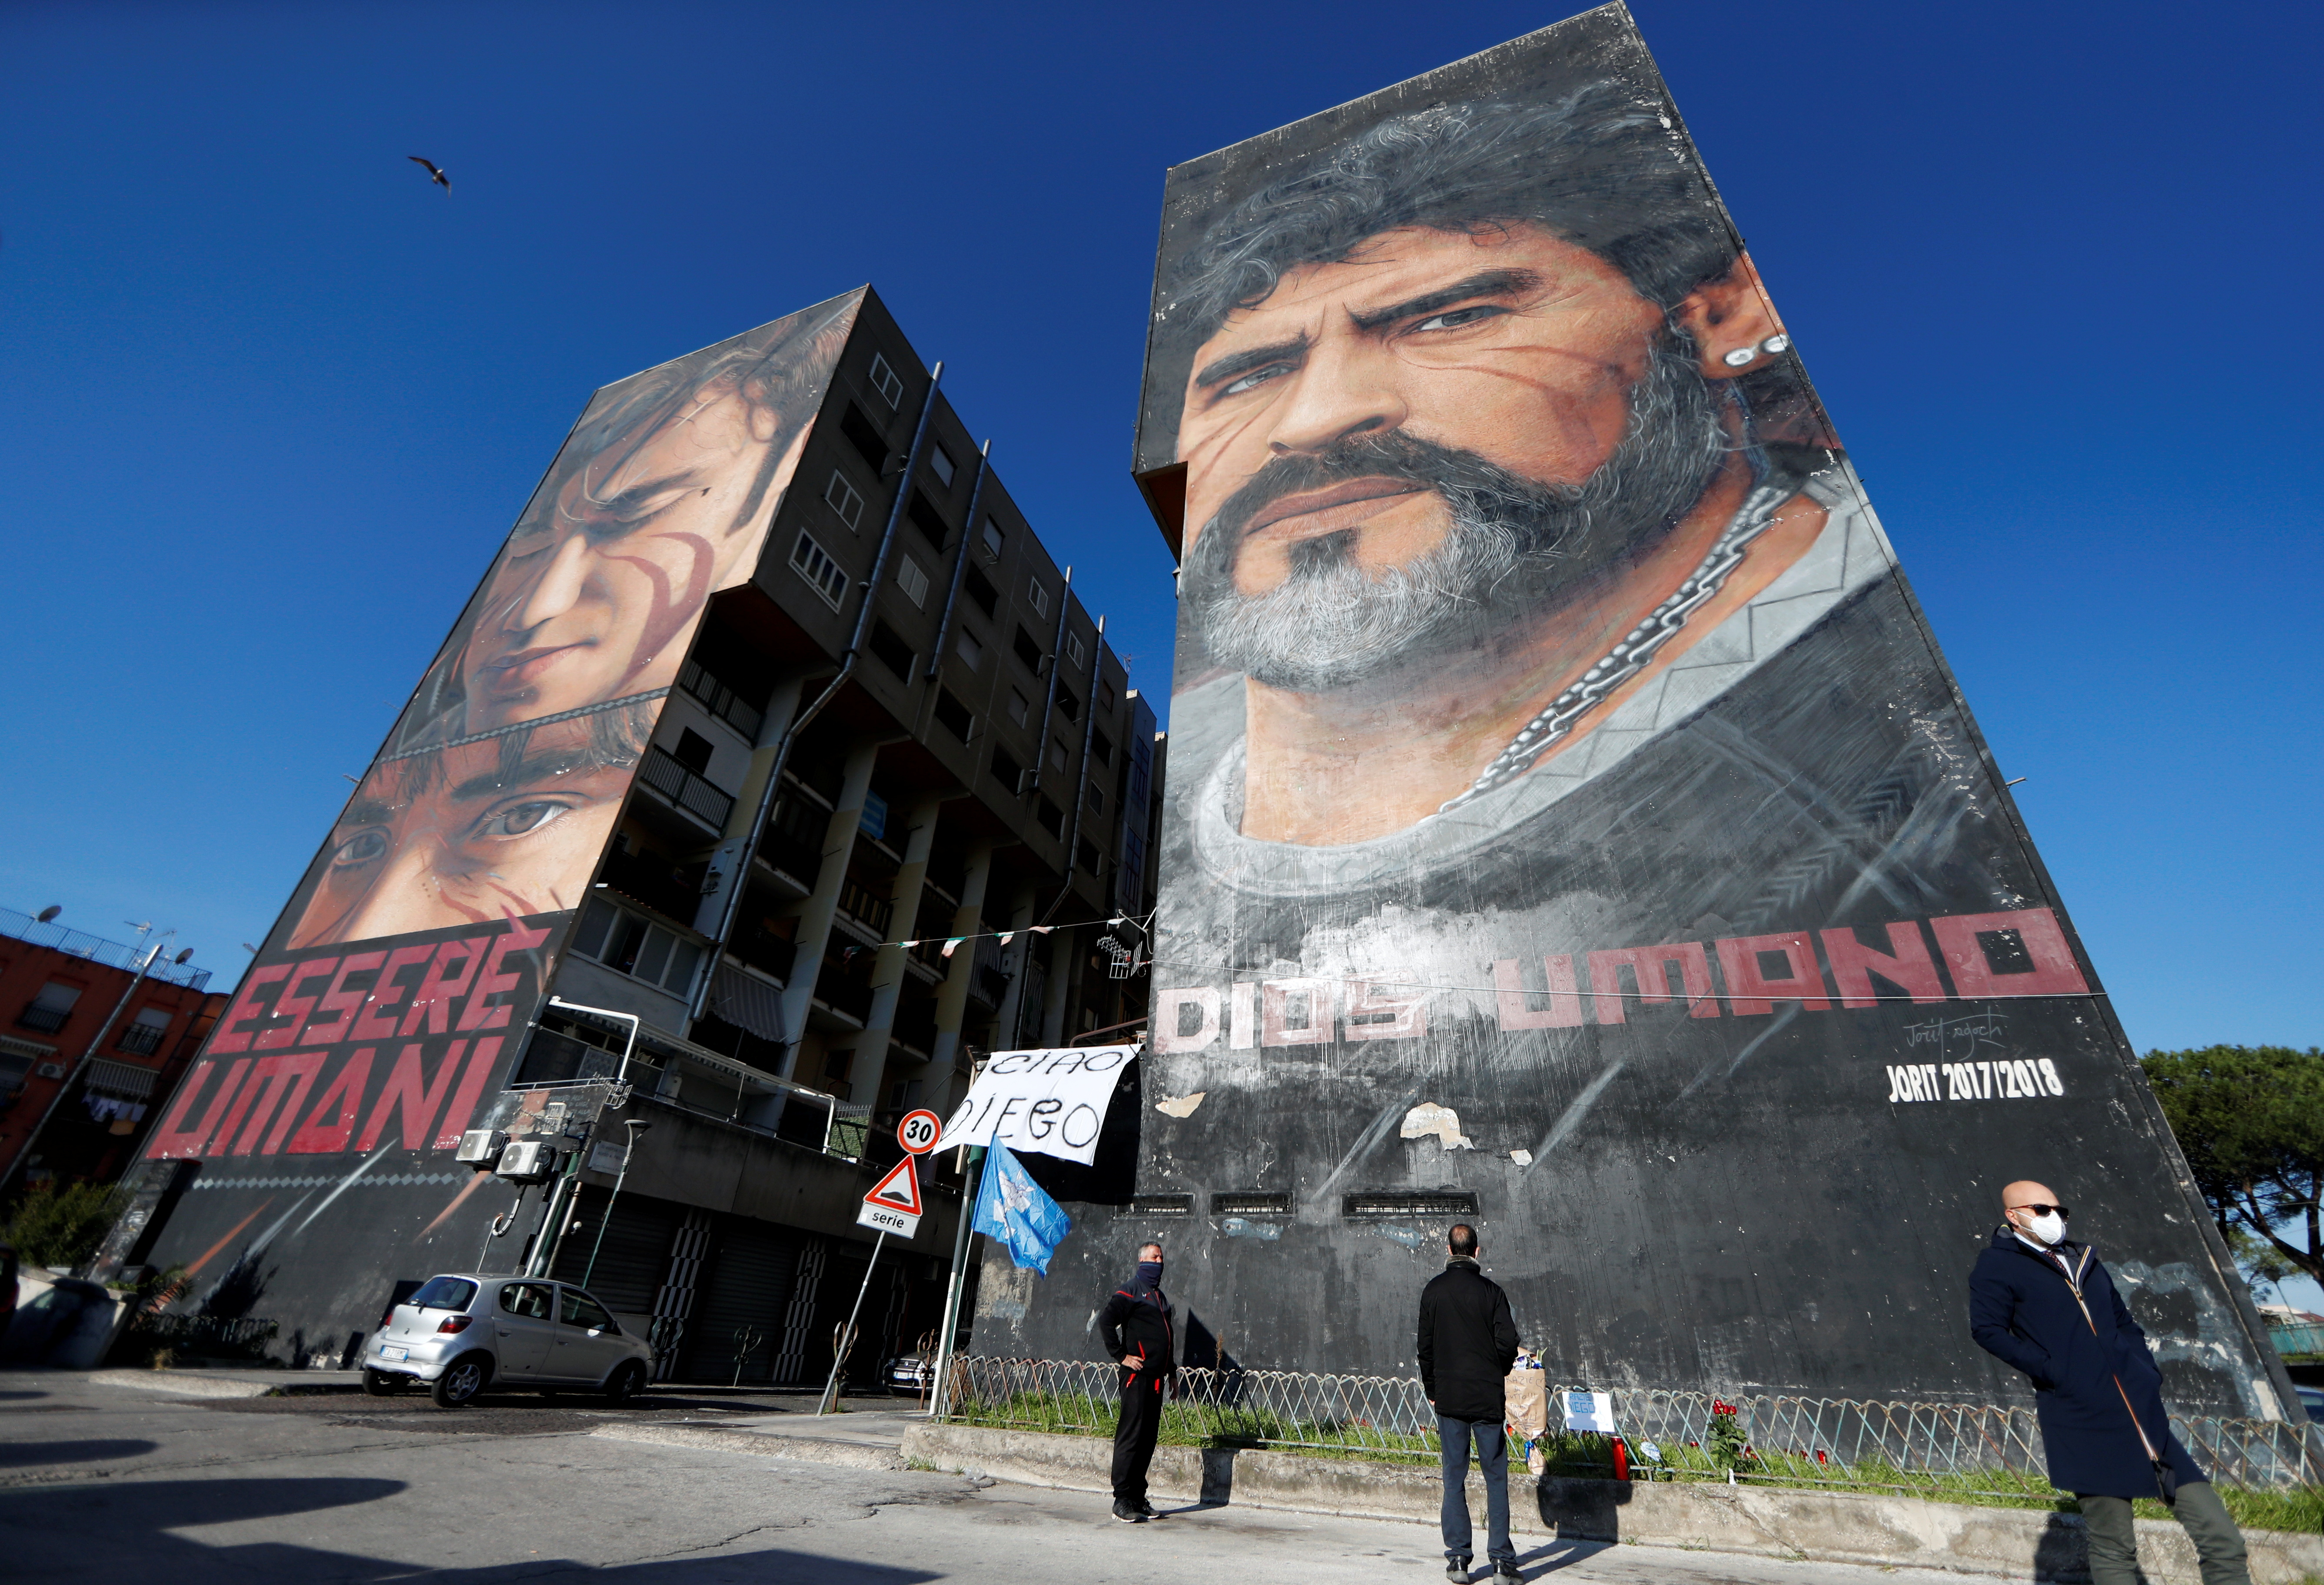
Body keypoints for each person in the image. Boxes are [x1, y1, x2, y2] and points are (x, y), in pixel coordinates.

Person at [1969, 1180, 2251, 1585]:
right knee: (2115, 1549)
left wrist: (2144, 1371)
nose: (2056, 1218)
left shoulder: (2084, 1259)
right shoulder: (1997, 1265)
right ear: (2013, 1216)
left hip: (2145, 1417)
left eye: (2060, 1211)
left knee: (2222, 1538)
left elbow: (2123, 1322)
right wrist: (2056, 1373)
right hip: (2085, 1421)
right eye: (2043, 1210)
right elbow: (1988, 1330)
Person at [1417, 1223, 1520, 1582]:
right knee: (1495, 1478)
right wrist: (1497, 1370)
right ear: (1477, 1251)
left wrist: (1433, 1387)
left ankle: (1459, 1560)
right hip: (1486, 1396)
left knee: (1454, 1477)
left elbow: (1425, 1349)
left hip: (1449, 1398)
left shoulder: (1433, 1291)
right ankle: (1502, 1564)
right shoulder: (1492, 1293)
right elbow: (1508, 1342)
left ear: (1449, 1249)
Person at [1098, 1241, 1175, 1522]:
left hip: (1157, 1380)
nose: (1160, 1261)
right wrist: (1121, 1356)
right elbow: (1106, 1322)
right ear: (1143, 1260)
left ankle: (1138, 1497)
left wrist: (1172, 1372)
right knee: (1131, 1437)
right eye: (1155, 1257)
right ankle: (1122, 1498)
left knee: (1148, 1440)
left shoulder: (1160, 1297)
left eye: (1162, 1257)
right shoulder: (1130, 1291)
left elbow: (1167, 1337)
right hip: (1136, 1377)